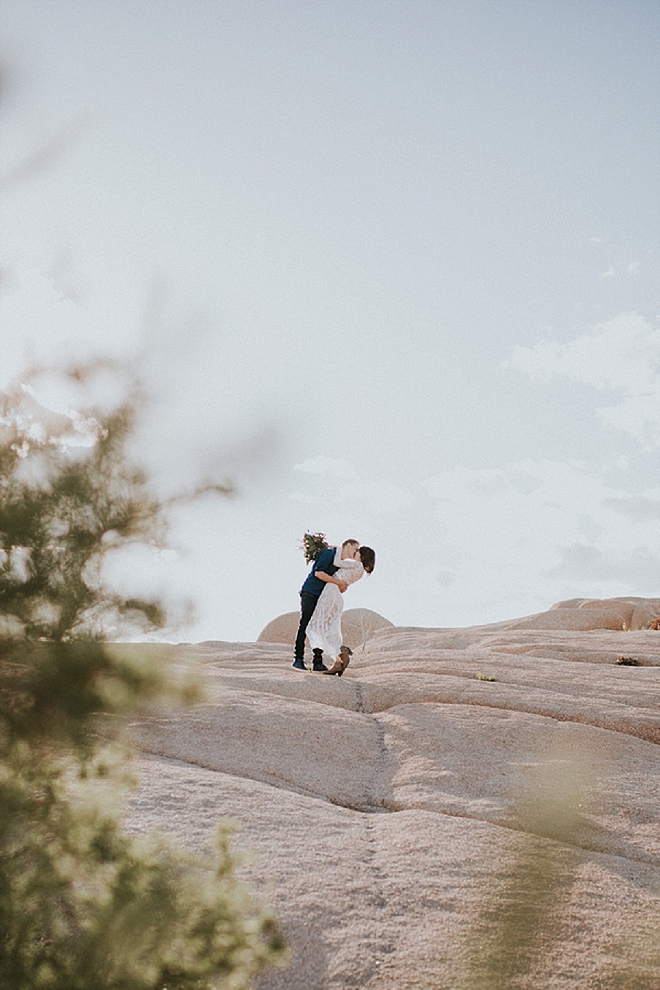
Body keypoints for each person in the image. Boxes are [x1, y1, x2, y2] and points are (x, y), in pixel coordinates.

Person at [307, 545, 376, 676]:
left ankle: (339, 652)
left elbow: (336, 562)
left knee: (315, 625)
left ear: (361, 555)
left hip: (331, 592)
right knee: (328, 627)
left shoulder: (356, 565)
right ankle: (338, 661)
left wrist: (335, 549)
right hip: (336, 595)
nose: (354, 553)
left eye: (357, 552)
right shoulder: (360, 571)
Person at [293, 539, 360, 671]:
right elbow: (319, 573)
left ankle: (318, 661)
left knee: (321, 626)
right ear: (347, 546)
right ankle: (298, 659)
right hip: (311, 591)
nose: (356, 552)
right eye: (355, 548)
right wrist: (338, 583)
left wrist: (340, 585)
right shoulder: (329, 554)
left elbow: (337, 579)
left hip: (323, 596)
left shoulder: (340, 563)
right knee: (305, 623)